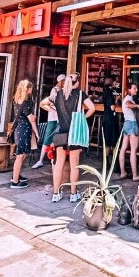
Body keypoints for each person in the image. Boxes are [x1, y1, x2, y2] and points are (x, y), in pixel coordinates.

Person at [41, 72, 95, 203]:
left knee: (58, 163)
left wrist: (54, 111)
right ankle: (73, 193)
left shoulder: (57, 94)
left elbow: (43, 103)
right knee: (74, 164)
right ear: (77, 83)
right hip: (74, 132)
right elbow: (92, 108)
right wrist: (83, 117)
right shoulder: (80, 94)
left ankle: (56, 193)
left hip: (60, 131)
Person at [32, 74, 66, 169]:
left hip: (59, 118)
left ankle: (52, 159)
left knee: (57, 139)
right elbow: (46, 103)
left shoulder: (62, 91)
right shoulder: (54, 91)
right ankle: (41, 160)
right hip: (53, 119)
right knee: (48, 138)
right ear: (61, 81)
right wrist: (55, 112)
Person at [10, 79, 38, 189]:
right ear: (27, 89)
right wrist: (37, 132)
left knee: (22, 154)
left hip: (19, 128)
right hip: (24, 129)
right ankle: (15, 182)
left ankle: (15, 175)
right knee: (20, 155)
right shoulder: (25, 103)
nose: (32, 90)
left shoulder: (17, 101)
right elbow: (31, 119)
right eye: (30, 88)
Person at [117, 82, 139, 182]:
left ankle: (123, 172)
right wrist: (137, 106)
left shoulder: (126, 98)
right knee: (133, 150)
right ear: (129, 89)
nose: (136, 90)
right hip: (133, 124)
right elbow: (127, 105)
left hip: (126, 124)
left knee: (123, 148)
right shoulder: (128, 99)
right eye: (134, 88)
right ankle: (135, 175)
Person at [101, 74, 119, 157]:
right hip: (110, 118)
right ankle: (109, 161)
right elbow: (112, 107)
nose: (117, 82)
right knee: (111, 139)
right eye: (115, 81)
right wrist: (117, 100)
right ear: (111, 82)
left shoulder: (106, 92)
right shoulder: (109, 93)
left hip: (106, 117)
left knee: (108, 139)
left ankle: (107, 161)